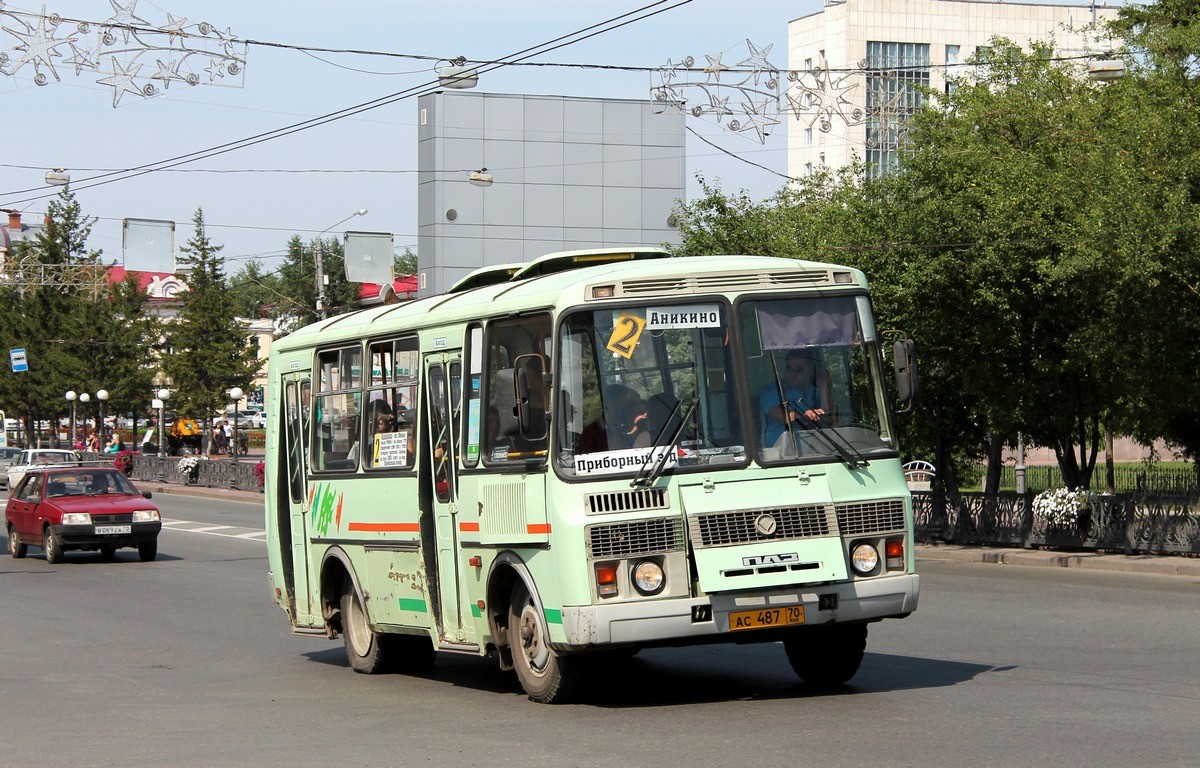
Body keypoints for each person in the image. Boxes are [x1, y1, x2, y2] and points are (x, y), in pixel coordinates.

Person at [760, 349, 831, 447]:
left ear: (810, 371)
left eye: (799, 370)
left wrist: (822, 386)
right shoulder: (771, 391)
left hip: (810, 448)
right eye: (789, 368)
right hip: (777, 453)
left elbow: (829, 419)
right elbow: (782, 417)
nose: (792, 374)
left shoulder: (815, 393)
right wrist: (805, 415)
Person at [578, 384, 652, 454]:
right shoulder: (592, 433)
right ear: (610, 404)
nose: (626, 410)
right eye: (624, 405)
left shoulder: (645, 432)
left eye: (629, 406)